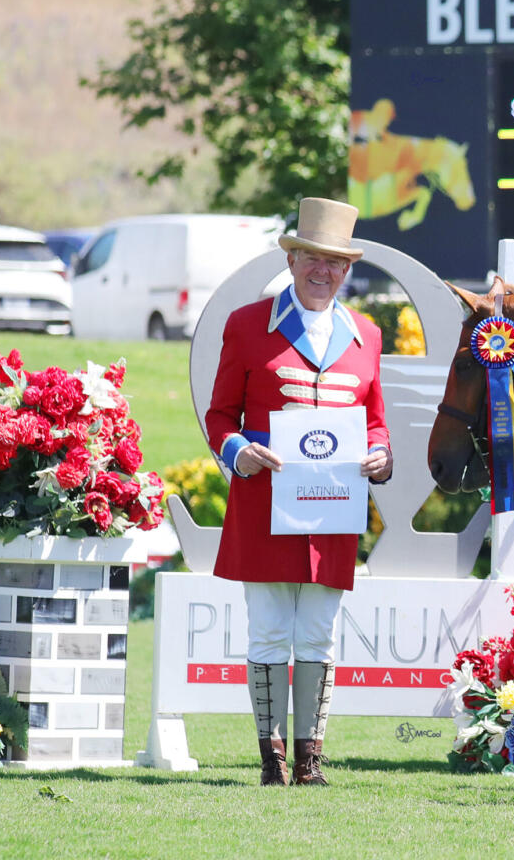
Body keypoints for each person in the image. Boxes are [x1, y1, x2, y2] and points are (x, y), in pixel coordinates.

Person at [205, 197, 393, 787]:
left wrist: (382, 455)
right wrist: (241, 454)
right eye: (312, 257)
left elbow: (377, 421)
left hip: (333, 512)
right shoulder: (245, 324)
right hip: (264, 504)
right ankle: (271, 760)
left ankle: (310, 760)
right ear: (292, 260)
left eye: (335, 262)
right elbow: (219, 418)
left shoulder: (366, 334)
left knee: (318, 632)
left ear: (347, 270)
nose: (322, 271)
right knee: (267, 630)